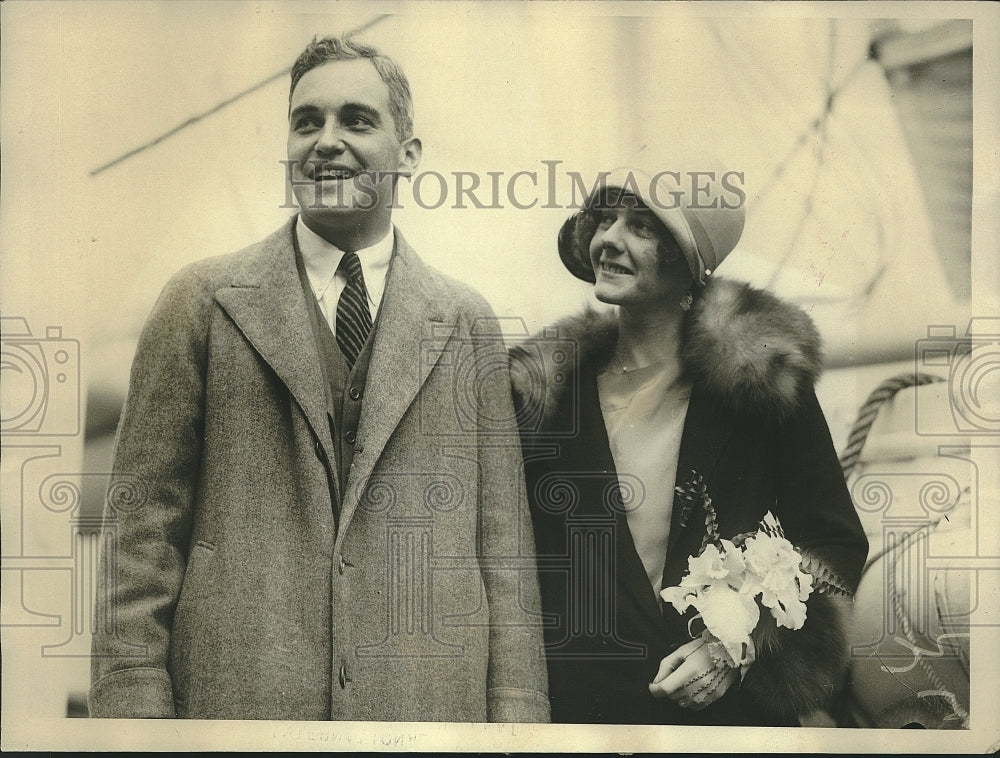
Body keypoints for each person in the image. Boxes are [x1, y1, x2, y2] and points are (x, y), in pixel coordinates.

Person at [89, 35, 549, 722]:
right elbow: (140, 532)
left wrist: (518, 722)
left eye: (356, 121)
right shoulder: (201, 302)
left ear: (410, 155)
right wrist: (132, 717)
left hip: (424, 714)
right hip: (236, 714)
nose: (326, 141)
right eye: (307, 122)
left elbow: (504, 553)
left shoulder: (466, 321)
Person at [511, 155, 868, 725]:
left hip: (728, 721)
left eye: (642, 227)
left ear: (688, 263)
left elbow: (834, 545)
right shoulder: (542, 396)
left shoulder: (762, 386)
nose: (609, 239)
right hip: (582, 717)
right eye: (604, 219)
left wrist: (738, 644)